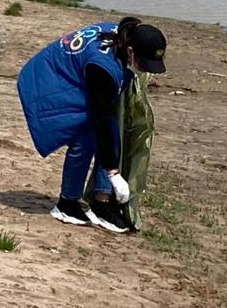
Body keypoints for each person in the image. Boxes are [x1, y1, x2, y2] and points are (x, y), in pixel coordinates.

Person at [17, 17, 167, 233]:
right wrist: (114, 174)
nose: (144, 69)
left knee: (101, 130)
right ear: (131, 51)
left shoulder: (122, 38)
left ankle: (100, 202)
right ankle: (68, 204)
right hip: (48, 79)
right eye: (143, 64)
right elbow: (103, 120)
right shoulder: (102, 67)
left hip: (72, 73)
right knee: (85, 135)